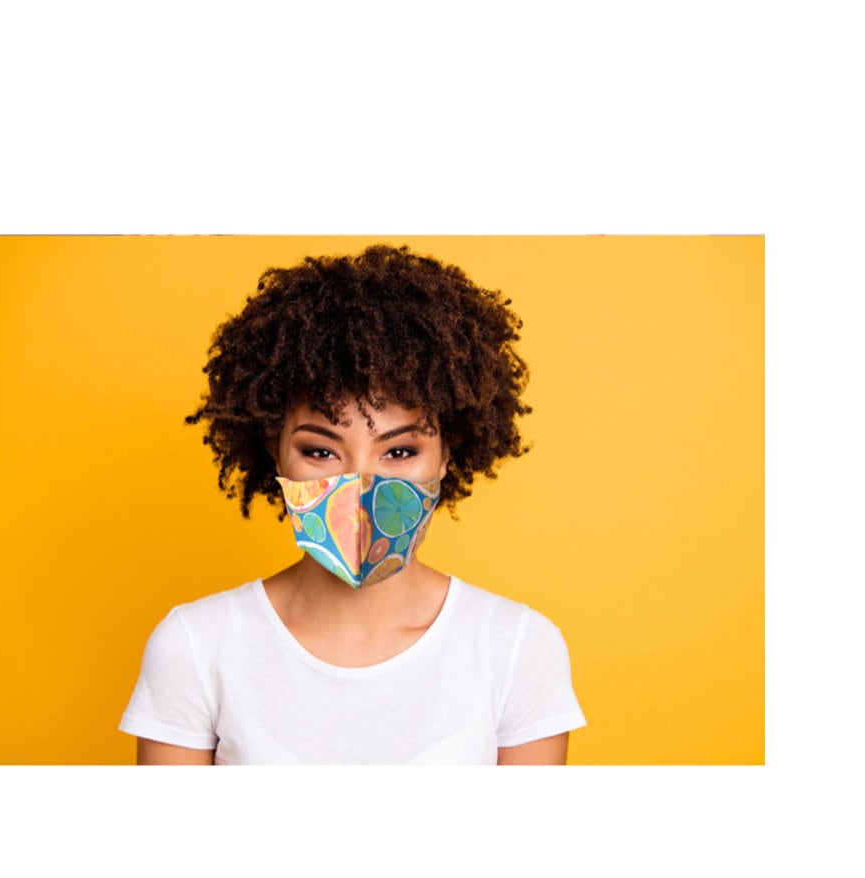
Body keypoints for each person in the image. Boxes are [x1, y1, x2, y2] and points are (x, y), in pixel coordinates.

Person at [119, 244, 586, 764]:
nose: (361, 485)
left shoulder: (517, 646)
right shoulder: (194, 645)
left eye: (399, 451)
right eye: (321, 451)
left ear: (445, 458)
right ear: (275, 454)